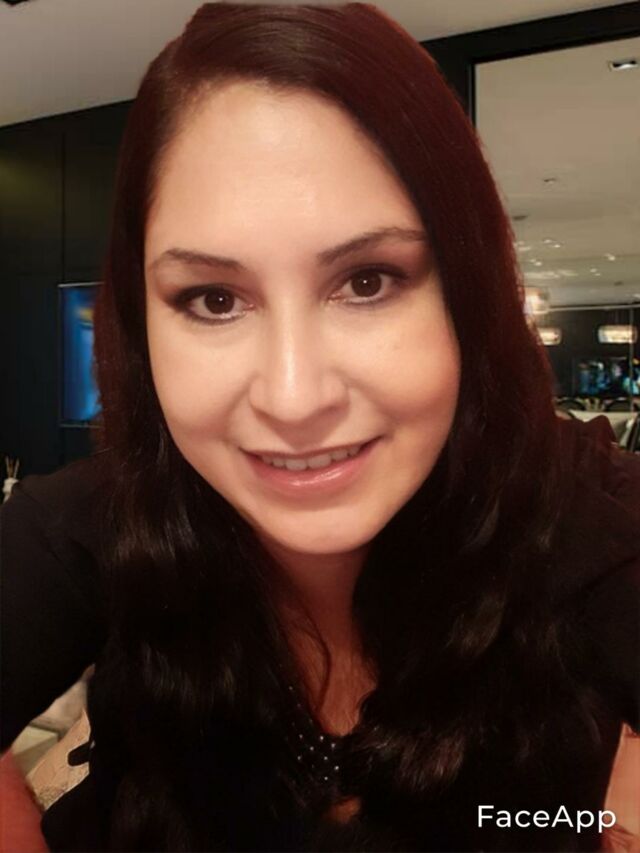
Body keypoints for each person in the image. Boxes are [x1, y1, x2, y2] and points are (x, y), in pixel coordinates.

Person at [1, 3, 639, 851]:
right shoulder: (86, 526)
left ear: (469, 295)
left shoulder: (591, 518)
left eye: (368, 280)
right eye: (214, 299)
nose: (295, 398)